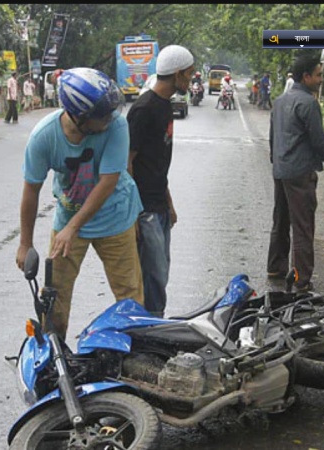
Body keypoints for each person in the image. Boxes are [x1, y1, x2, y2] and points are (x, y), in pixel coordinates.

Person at [15, 67, 144, 340]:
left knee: (129, 294)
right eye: (102, 115)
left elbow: (108, 182)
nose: (110, 119)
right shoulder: (44, 137)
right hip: (68, 217)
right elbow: (31, 190)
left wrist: (73, 228)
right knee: (54, 298)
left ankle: (138, 351)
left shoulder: (117, 126)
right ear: (79, 117)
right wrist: (25, 243)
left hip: (115, 216)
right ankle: (54, 354)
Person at [267, 54, 324, 292]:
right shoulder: (308, 103)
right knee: (302, 226)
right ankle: (302, 278)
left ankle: (275, 267)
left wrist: (276, 160)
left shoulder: (280, 101)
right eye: (319, 75)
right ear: (306, 76)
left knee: (280, 221)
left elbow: (273, 137)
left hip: (281, 170)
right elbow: (319, 141)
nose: (321, 79)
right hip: (300, 173)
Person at [127, 45, 195, 317]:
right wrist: (133, 214)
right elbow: (127, 163)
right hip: (144, 209)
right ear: (178, 74)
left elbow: (156, 163)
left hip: (159, 205)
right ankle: (149, 329)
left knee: (160, 273)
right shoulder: (143, 109)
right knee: (152, 277)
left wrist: (169, 203)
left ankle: (154, 324)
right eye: (189, 75)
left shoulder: (166, 106)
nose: (191, 80)